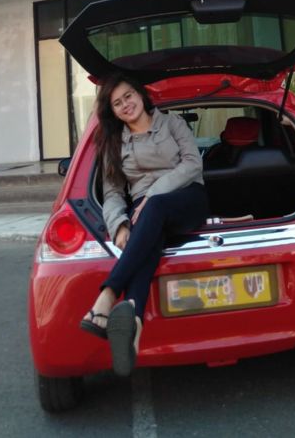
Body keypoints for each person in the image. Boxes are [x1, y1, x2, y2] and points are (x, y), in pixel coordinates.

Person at [80, 72, 209, 377]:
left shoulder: (172, 123)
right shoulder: (113, 142)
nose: (126, 104)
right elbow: (113, 193)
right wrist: (119, 225)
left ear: (140, 94)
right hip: (144, 213)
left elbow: (193, 163)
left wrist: (151, 195)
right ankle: (134, 323)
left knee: (155, 209)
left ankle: (108, 295)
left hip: (187, 198)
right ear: (113, 112)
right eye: (117, 103)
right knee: (148, 237)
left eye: (128, 96)